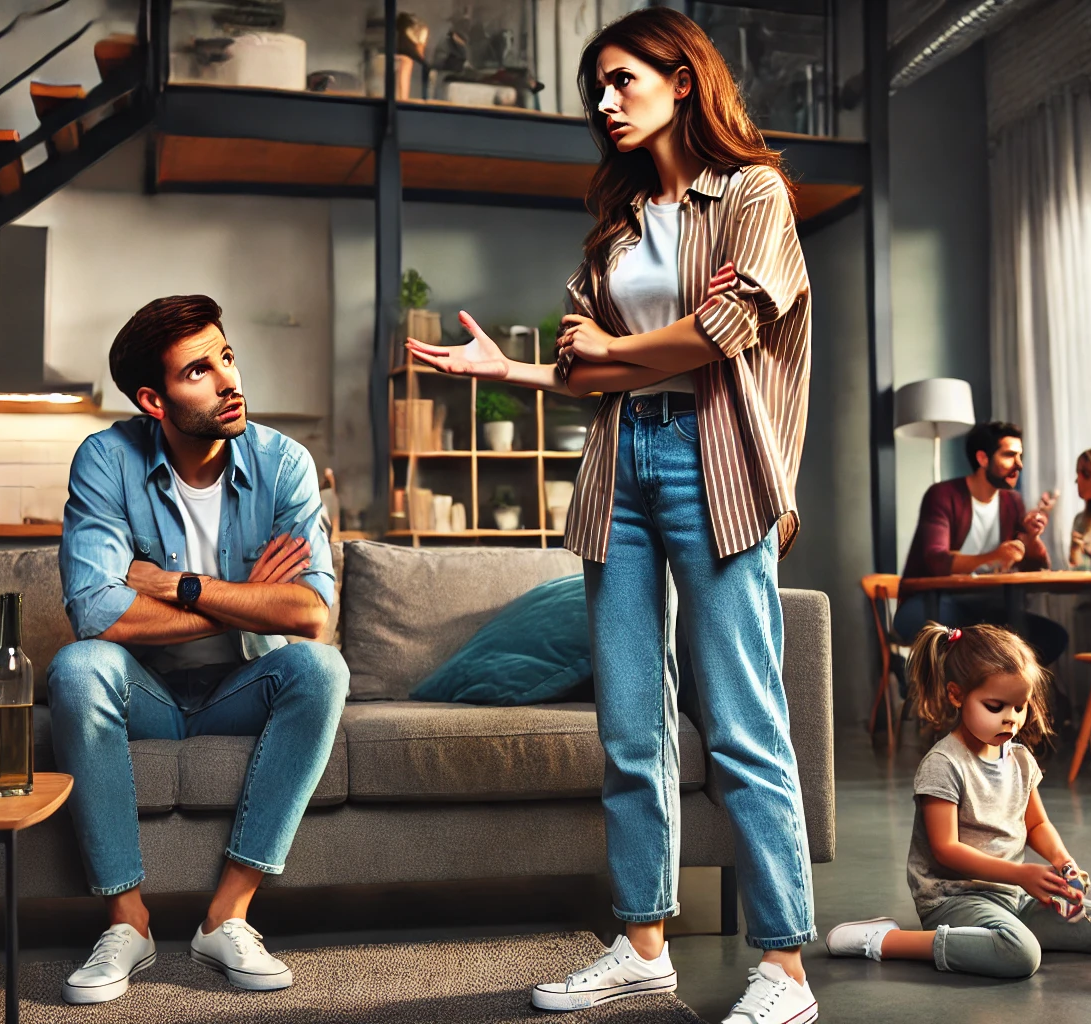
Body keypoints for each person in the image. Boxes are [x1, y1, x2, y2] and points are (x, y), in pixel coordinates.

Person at [406, 9, 817, 1023]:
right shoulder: (619, 224)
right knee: (630, 726)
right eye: (596, 87)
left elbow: (725, 331)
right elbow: (591, 368)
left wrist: (618, 353)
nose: (603, 101)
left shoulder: (754, 194)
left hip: (717, 465)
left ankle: (785, 973)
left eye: (622, 79)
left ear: (684, 79)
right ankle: (641, 944)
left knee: (741, 725)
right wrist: (515, 369)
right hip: (619, 464)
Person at [49, 295, 348, 1005]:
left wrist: (183, 587)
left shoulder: (284, 465)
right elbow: (96, 614)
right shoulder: (106, 460)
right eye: (198, 371)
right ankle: (128, 923)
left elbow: (311, 614)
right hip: (142, 697)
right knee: (77, 667)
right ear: (153, 398)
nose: (227, 380)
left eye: (228, 357)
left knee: (320, 667)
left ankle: (229, 916)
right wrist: (245, 595)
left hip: (244, 691)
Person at [824, 623, 1091, 977]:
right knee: (1021, 955)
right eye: (995, 706)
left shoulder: (1020, 759)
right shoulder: (943, 764)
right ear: (956, 695)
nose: (1011, 718)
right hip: (954, 899)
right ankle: (886, 940)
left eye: (1020, 706)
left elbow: (1037, 824)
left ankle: (999, 934)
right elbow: (946, 849)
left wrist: (1063, 862)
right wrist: (1021, 874)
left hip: (1012, 897)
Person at [896, 421, 1067, 664]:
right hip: (929, 604)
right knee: (977, 643)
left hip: (983, 607)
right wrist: (993, 556)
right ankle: (948, 695)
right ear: (983, 458)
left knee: (1051, 637)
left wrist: (1032, 539)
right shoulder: (942, 495)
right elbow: (936, 560)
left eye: (1020, 456)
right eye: (1009, 455)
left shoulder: (1012, 502)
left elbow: (1034, 568)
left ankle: (1000, 697)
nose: (1019, 464)